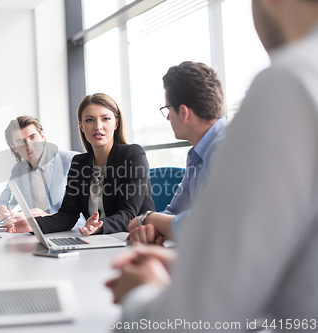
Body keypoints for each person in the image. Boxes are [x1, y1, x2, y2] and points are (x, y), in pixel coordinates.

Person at [106, 0, 318, 329]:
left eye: (167, 110)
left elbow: (195, 319)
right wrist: (189, 259)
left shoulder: (292, 81)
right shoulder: (196, 156)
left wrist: (143, 289)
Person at [5, 93, 155, 236]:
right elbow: (68, 215)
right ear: (81, 126)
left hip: (134, 239)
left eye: (105, 119)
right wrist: (33, 224)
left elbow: (128, 214)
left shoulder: (133, 155)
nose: (98, 126)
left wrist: (99, 226)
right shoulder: (79, 163)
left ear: (116, 123)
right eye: (89, 120)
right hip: (98, 241)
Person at [128, 62, 228, 243]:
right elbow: (174, 212)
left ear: (183, 112)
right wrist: (154, 228)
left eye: (168, 109)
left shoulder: (227, 148)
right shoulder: (197, 155)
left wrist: (149, 219)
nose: (168, 118)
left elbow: (208, 224)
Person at [0, 116, 79, 224]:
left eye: (32, 137)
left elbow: (87, 214)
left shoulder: (72, 161)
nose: (29, 145)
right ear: (14, 148)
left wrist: (50, 218)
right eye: (21, 142)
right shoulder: (18, 170)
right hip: (38, 232)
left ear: (42, 136)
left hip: (70, 231)